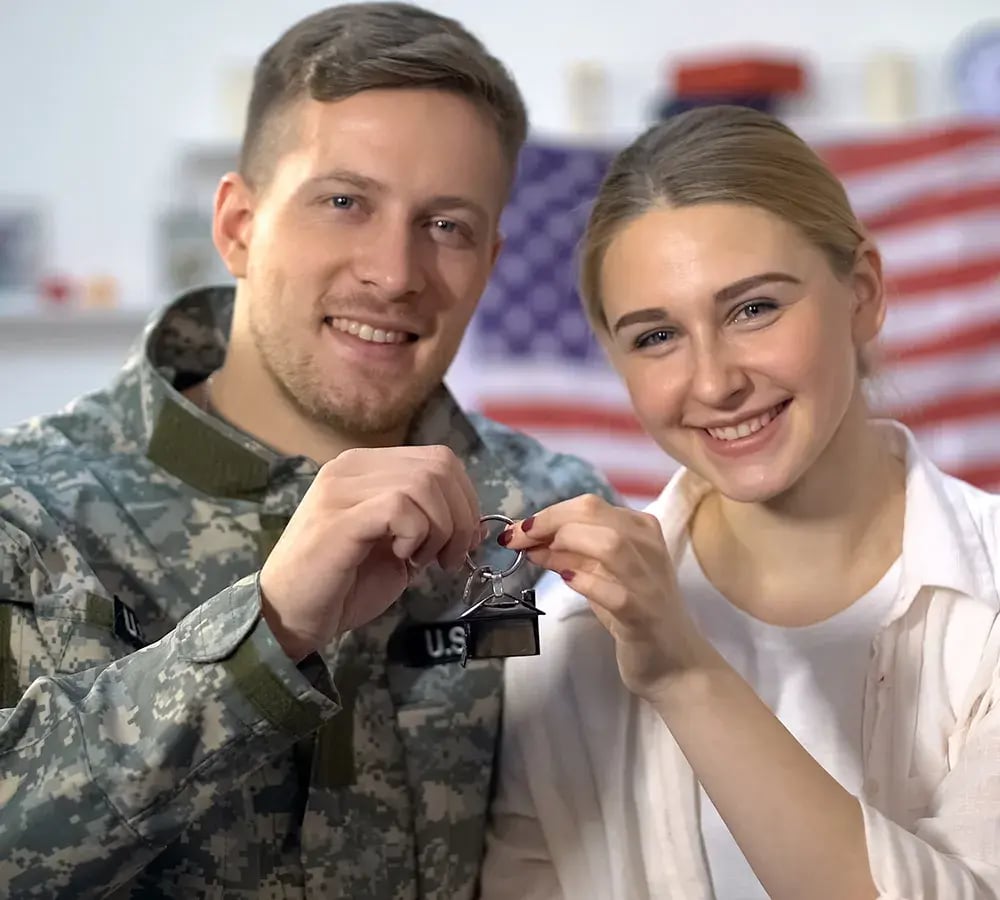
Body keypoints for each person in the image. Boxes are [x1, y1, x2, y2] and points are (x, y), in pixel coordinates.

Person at [0, 4, 615, 897]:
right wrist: (270, 632)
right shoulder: (28, 509)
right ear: (239, 225)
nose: (395, 273)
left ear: (490, 261)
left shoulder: (546, 511)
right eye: (344, 202)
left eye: (447, 225)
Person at [480, 105, 1000, 900]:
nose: (716, 381)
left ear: (862, 293)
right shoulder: (566, 653)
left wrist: (685, 672)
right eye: (656, 337)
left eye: (753, 309)